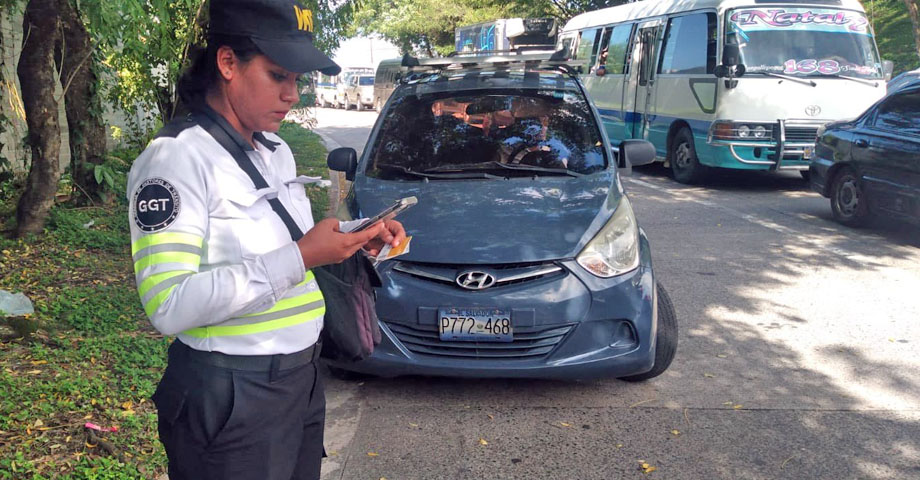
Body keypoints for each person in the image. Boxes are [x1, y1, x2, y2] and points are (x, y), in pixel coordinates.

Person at [126, 0, 405, 478]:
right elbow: (167, 304)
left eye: (297, 80)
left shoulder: (275, 152)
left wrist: (355, 242)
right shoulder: (176, 160)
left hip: (303, 379)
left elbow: (287, 255)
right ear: (228, 63)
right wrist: (301, 255)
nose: (292, 94)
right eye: (279, 76)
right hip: (234, 393)